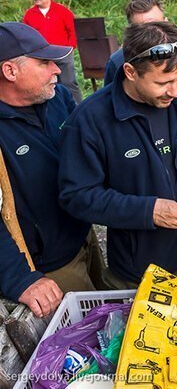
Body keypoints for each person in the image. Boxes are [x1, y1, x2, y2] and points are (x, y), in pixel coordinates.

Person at [59, 21, 177, 290]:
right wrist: (149, 211)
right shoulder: (91, 120)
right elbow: (77, 196)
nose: (175, 91)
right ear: (130, 71)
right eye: (163, 82)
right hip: (142, 263)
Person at [0, 22, 103, 317]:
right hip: (50, 263)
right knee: (90, 335)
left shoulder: (55, 98)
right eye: (44, 62)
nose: (56, 70)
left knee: (110, 308)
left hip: (82, 232)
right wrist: (19, 277)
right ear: (10, 71)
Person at [103, 0, 177, 93]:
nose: (153, 33)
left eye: (157, 26)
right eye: (144, 30)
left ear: (167, 22)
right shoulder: (117, 62)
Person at [23, 0, 82, 102]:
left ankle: (77, 109)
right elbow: (27, 34)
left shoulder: (62, 11)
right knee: (45, 86)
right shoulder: (29, 14)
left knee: (69, 83)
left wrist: (71, 47)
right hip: (42, 56)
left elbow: (73, 30)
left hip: (63, 54)